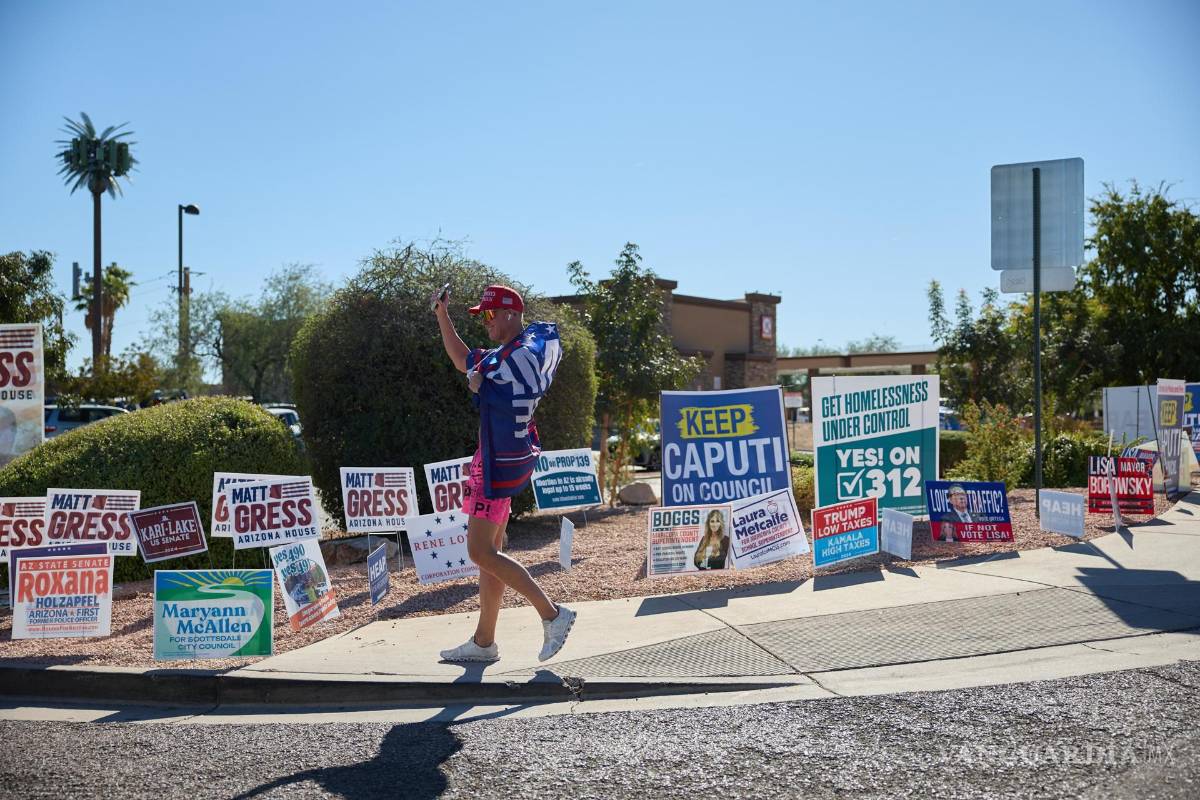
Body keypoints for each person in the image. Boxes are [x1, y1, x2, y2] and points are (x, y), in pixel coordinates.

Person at [432, 284, 575, 663]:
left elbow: (486, 375)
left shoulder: (517, 358)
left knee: (479, 551)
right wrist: (442, 315)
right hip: (501, 460)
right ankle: (484, 642)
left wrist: (480, 384)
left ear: (511, 314)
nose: (487, 322)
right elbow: (465, 360)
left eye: (491, 315)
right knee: (491, 554)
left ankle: (553, 615)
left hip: (495, 467)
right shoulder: (511, 354)